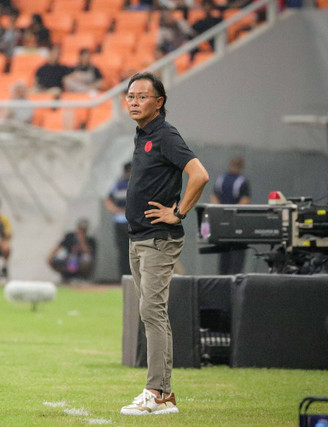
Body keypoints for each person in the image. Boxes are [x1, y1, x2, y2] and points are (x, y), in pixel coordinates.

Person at [120, 72, 209, 415]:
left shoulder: (166, 134)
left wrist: (178, 212)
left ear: (159, 103)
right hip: (140, 237)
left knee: (151, 311)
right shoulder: (143, 133)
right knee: (152, 313)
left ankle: (156, 393)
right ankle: (164, 394)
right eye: (130, 96)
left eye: (142, 97)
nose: (134, 102)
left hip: (158, 239)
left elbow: (199, 174)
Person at [211, 156, 251, 274]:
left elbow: (214, 197)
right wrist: (232, 214)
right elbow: (245, 201)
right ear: (241, 167)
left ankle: (223, 281)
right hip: (237, 224)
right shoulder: (242, 181)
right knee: (237, 259)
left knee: (224, 257)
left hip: (223, 223)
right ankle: (235, 281)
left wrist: (222, 212)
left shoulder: (221, 179)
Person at [104, 161, 132, 282]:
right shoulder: (119, 185)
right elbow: (108, 200)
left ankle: (133, 276)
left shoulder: (136, 184)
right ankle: (125, 276)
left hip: (132, 222)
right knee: (123, 251)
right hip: (121, 222)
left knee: (134, 250)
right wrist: (116, 210)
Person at [48, 218, 96, 283]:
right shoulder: (70, 236)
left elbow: (88, 252)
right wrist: (51, 256)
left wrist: (82, 240)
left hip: (80, 259)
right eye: (79, 229)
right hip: (69, 257)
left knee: (79, 260)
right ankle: (67, 277)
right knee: (70, 259)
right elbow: (59, 245)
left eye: (83, 230)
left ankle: (76, 278)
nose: (80, 231)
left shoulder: (89, 240)